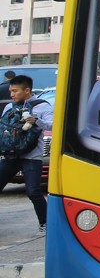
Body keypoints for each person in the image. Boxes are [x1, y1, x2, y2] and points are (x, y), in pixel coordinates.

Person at [0, 75, 52, 232]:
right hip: (11, 154)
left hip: (31, 155)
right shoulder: (10, 107)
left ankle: (46, 223)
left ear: (27, 90)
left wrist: (36, 120)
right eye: (11, 91)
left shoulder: (42, 106)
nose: (12, 95)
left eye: (15, 91)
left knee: (33, 191)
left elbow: (53, 124)